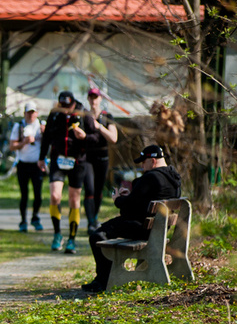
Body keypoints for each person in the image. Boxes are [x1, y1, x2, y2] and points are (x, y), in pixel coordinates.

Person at [83, 144, 182, 293]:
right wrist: (130, 195)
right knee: (106, 230)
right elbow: (144, 200)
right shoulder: (174, 177)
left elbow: (128, 208)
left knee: (97, 236)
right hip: (158, 229)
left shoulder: (151, 177)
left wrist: (117, 199)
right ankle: (104, 279)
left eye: (144, 162)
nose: (142, 166)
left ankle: (103, 281)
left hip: (142, 230)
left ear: (153, 161)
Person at [39, 90, 94, 254]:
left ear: (74, 103)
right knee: (55, 195)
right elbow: (47, 136)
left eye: (68, 106)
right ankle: (57, 234)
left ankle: (72, 238)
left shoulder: (84, 114)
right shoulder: (55, 114)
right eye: (62, 106)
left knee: (73, 199)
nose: (65, 109)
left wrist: (84, 137)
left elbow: (94, 137)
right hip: (58, 159)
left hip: (77, 161)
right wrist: (41, 157)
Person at [81, 88, 118, 234]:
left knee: (98, 190)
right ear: (88, 99)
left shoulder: (107, 116)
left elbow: (113, 138)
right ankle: (90, 222)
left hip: (102, 158)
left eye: (95, 97)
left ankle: (95, 218)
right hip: (87, 158)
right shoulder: (85, 116)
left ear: (100, 99)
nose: (93, 100)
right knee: (89, 189)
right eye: (90, 97)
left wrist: (99, 127)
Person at [9, 100, 46, 232]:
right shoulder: (18, 126)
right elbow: (11, 146)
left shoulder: (42, 126)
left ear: (36, 113)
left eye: (33, 112)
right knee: (24, 194)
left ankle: (35, 218)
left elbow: (49, 144)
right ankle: (23, 221)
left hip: (37, 165)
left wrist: (45, 134)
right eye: (28, 113)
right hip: (23, 164)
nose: (30, 115)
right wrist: (23, 142)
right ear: (24, 113)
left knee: (38, 195)